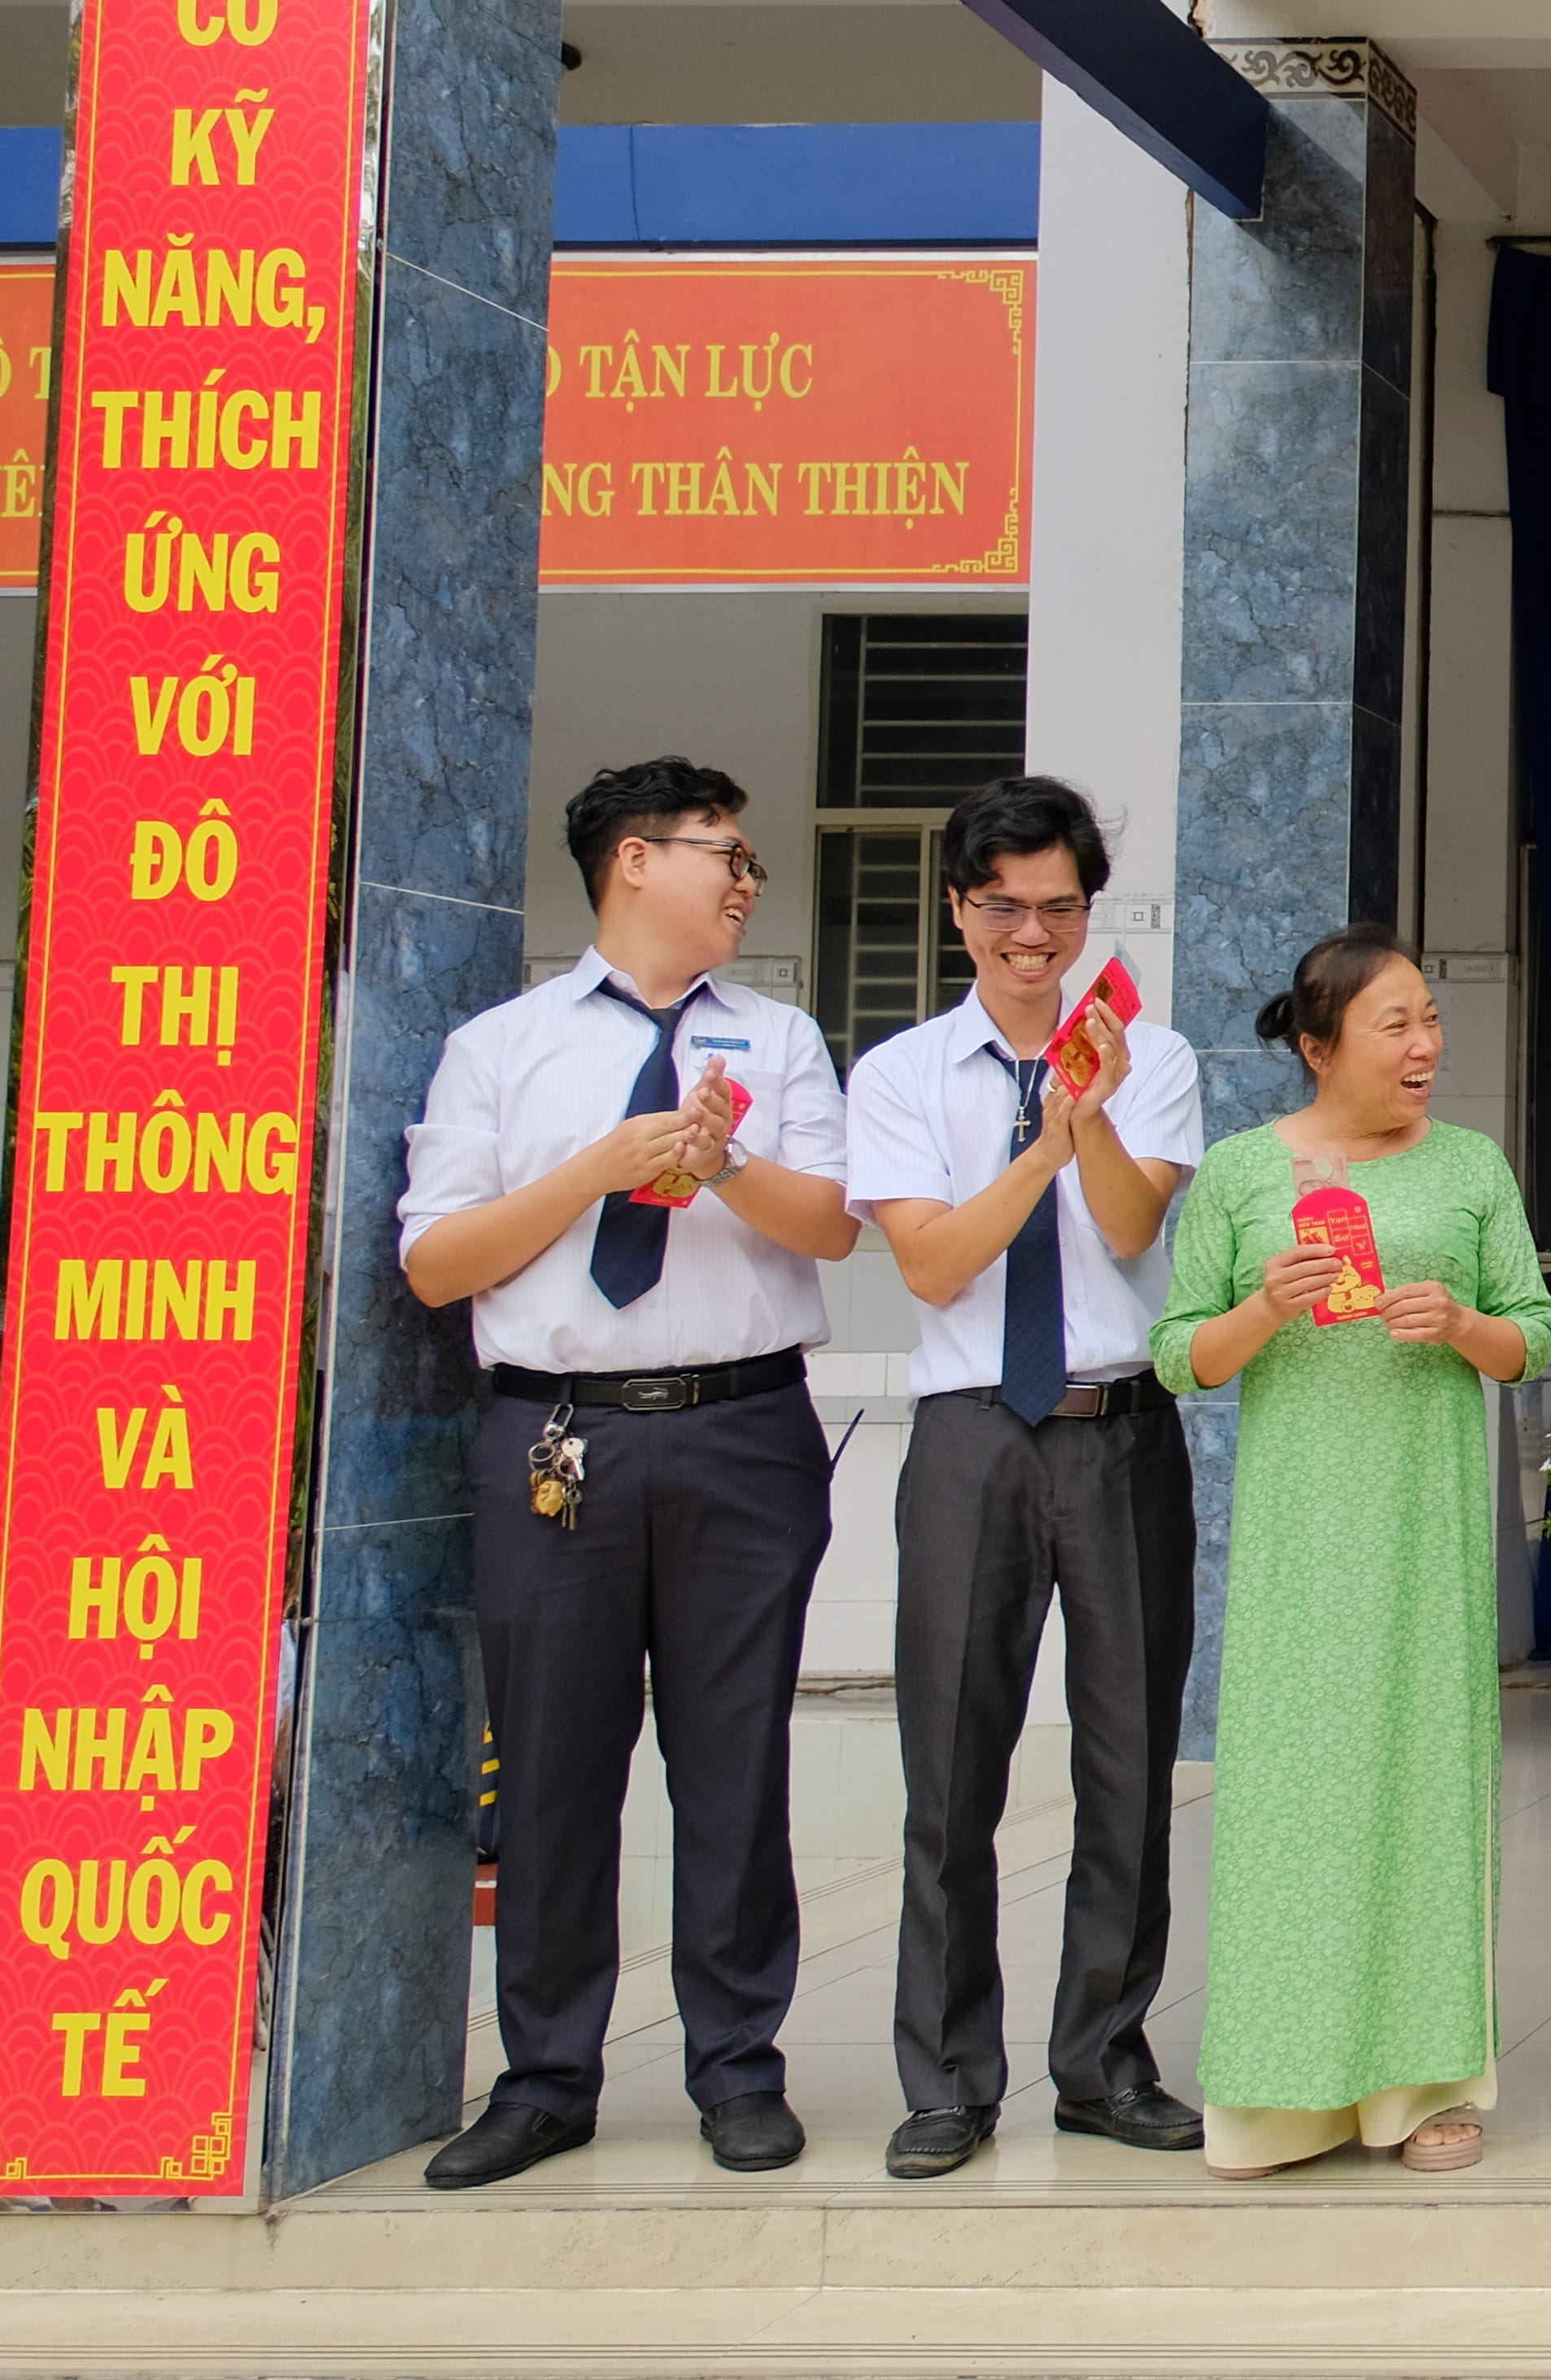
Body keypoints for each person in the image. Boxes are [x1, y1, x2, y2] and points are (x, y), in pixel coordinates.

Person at [403, 758, 858, 2189]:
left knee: (734, 1760)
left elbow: (832, 1226)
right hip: (560, 1438)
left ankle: (738, 2068)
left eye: (748, 861)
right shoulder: (503, 1047)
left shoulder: (777, 1038)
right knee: (551, 1768)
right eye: (724, 853)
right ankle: (545, 2079)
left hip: (742, 1431)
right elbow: (437, 1262)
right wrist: (593, 1170)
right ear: (634, 861)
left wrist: (723, 1167)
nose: (745, 881)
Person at [1152, 928, 1551, 2179]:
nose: (1426, 1044)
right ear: (1317, 1045)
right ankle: (1279, 2095)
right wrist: (1263, 1305)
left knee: (1424, 1795)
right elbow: (1179, 1357)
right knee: (1291, 1805)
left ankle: (1421, 2087)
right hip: (1298, 1542)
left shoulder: (1469, 1165)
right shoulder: (1239, 1173)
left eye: (1430, 1018)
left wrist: (1465, 1323)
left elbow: (1537, 1336)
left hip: (1426, 1531)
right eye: (1396, 1024)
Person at [842, 777, 1207, 2179]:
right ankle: (947, 2077)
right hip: (970, 1437)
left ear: (1087, 913)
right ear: (959, 909)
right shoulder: (899, 1074)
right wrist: (1042, 1140)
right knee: (950, 1766)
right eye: (1004, 906)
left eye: (1058, 906)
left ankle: (1103, 2061)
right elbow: (933, 1264)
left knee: (1128, 1764)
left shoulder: (1151, 1058)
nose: (1032, 933)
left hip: (1118, 1431)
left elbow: (1127, 1226)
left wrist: (1089, 1117)